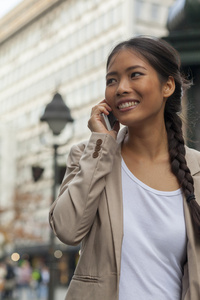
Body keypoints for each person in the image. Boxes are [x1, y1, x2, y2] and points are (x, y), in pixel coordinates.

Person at [49, 36, 200, 300]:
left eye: (135, 75)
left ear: (167, 86)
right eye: (112, 80)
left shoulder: (197, 169)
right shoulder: (88, 156)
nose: (121, 88)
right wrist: (101, 145)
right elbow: (67, 230)